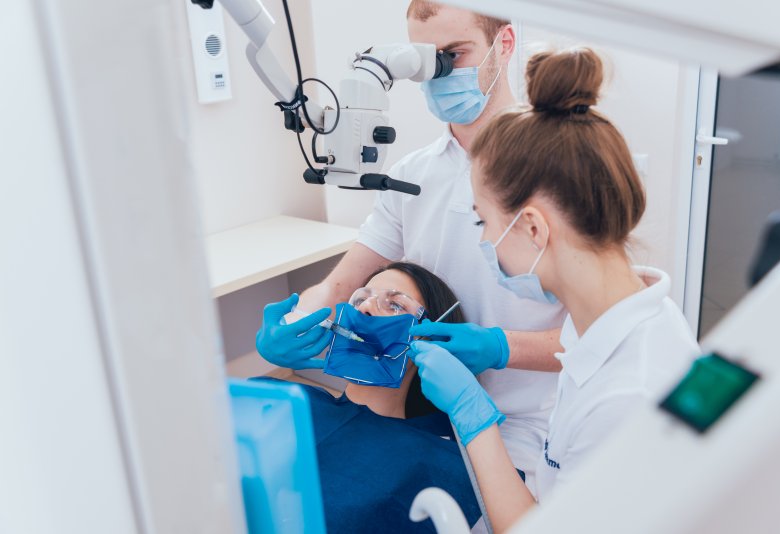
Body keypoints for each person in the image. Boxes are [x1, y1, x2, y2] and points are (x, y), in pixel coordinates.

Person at [256, 0, 565, 489]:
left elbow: (605, 334)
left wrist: (501, 348)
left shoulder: (563, 170)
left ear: (503, 45)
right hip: (419, 411)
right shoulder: (412, 176)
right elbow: (345, 282)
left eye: (454, 54)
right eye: (425, 61)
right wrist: (294, 323)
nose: (439, 74)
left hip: (520, 428)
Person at [409, 47, 701, 531]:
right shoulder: (609, 324)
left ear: (532, 228)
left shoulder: (627, 394)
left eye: (483, 221)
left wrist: (474, 419)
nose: (482, 240)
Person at [257, 262, 486, 532]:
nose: (364, 308)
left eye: (395, 305)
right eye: (360, 299)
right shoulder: (276, 397)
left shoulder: (439, 463)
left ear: (429, 338)